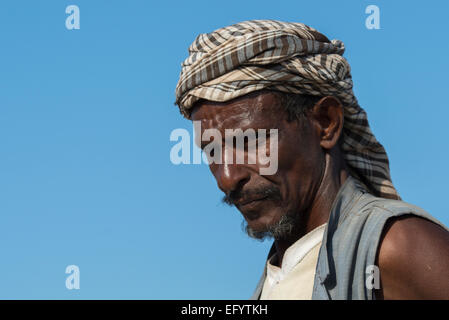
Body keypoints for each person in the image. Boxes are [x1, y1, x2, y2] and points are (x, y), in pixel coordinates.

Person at [174, 20, 449, 299]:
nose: (227, 178)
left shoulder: (395, 247)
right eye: (212, 152)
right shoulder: (278, 276)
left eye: (250, 141)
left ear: (326, 123)